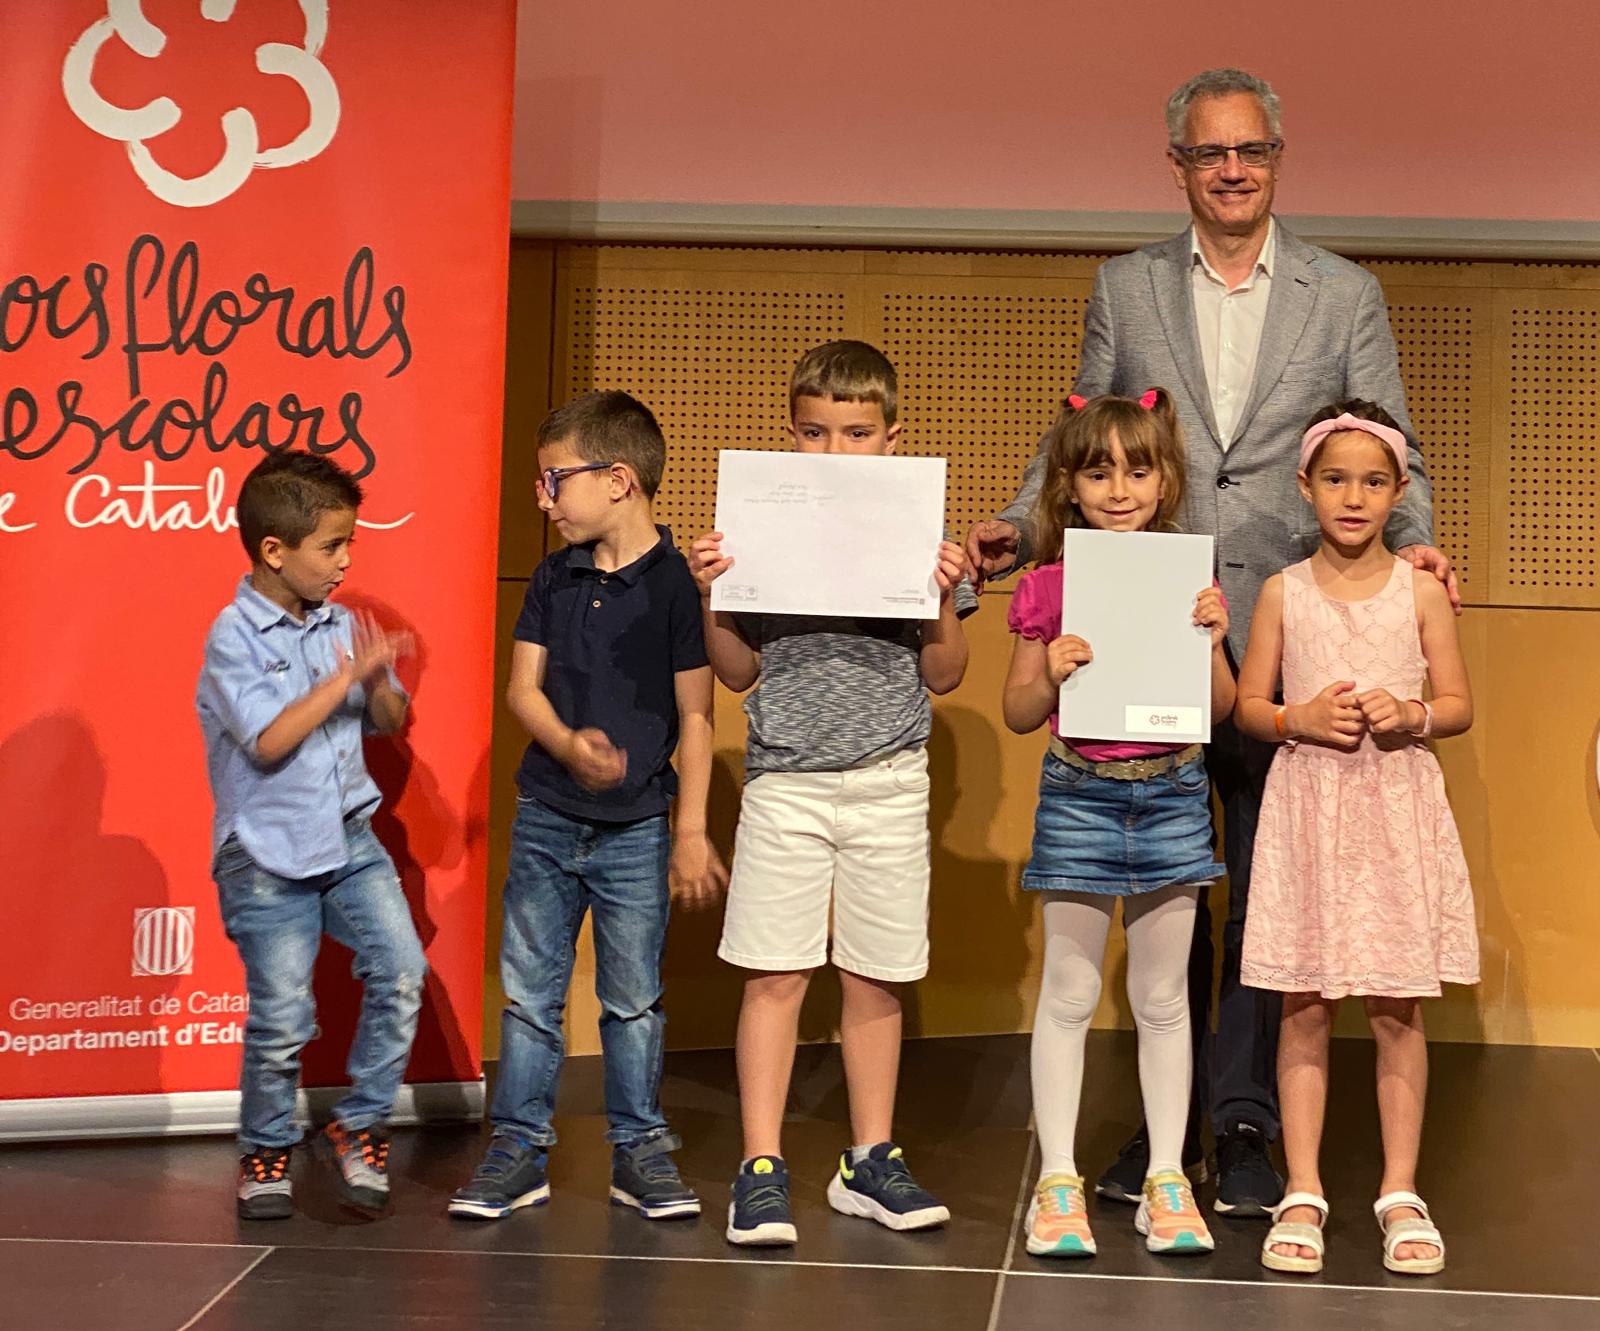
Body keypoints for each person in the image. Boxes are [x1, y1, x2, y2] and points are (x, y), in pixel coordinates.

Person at [964, 67, 1459, 1216]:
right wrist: (1017, 523)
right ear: (1177, 166)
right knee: (1171, 884)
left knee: (1266, 894)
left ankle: (1240, 1120)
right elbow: (1080, 432)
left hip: (1291, 627)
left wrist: (1419, 544)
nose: (1231, 169)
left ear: (1277, 158)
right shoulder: (1125, 284)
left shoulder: (1344, 292)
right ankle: (1166, 1122)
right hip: (1157, 625)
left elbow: (1390, 441)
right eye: (1208, 153)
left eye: (1249, 150)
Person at [690, 340, 972, 1246]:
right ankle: (760, 1164)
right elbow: (737, 671)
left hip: (889, 781)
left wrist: (942, 594)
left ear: (891, 438)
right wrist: (714, 593)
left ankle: (869, 1158)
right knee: (776, 971)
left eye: (856, 432)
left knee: (875, 975)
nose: (835, 449)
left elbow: (945, 673)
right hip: (786, 781)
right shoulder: (761, 527)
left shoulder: (917, 532)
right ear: (792, 435)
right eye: (815, 432)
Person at [449, 391, 725, 1223]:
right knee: (530, 993)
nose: (544, 498)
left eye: (554, 479)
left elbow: (698, 713)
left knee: (632, 997)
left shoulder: (677, 584)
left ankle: (639, 1149)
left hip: (637, 826)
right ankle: (518, 1147)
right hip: (547, 815)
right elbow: (522, 690)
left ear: (618, 479)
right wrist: (568, 745)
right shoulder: (552, 574)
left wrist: (690, 829)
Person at [1234, 402, 1476, 1277]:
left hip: (1392, 809)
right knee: (1303, 1001)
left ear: (1399, 490)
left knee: (1395, 1004)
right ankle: (1303, 1186)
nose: (1353, 496)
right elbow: (1248, 704)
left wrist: (1412, 712)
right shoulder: (1282, 591)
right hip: (1310, 807)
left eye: (1373, 481)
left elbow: (1458, 703)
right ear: (1305, 486)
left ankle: (1399, 1189)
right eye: (1335, 479)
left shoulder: (1420, 591)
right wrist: (1296, 716)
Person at [1003, 389, 1234, 1258]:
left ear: (1166, 480)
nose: (1120, 489)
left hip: (1172, 793)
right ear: (1069, 484)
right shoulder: (1047, 585)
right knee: (1068, 991)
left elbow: (1221, 708)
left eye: (1139, 471)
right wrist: (1051, 670)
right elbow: (1018, 710)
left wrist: (1212, 640)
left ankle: (1167, 1177)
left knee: (1163, 997)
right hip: (1079, 794)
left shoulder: (1189, 581)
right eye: (1099, 472)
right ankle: (1058, 1180)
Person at [197, 450, 426, 1221]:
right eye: (332, 545)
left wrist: (377, 680)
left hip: (350, 840)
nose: (346, 560)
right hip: (265, 853)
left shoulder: (343, 626)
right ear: (274, 549)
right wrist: (343, 678)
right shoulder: (233, 634)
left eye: (349, 542)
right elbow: (267, 739)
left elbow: (390, 720)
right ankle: (265, 1149)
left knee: (402, 969)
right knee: (283, 1017)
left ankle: (359, 1124)